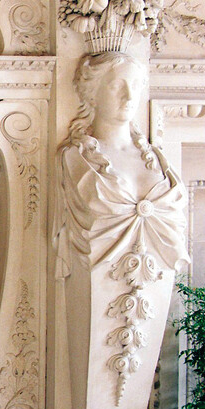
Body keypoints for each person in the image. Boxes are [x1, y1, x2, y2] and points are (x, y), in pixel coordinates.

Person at [55, 50, 187, 281]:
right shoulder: (77, 158)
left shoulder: (156, 158)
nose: (129, 96)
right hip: (97, 278)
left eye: (136, 86)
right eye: (117, 86)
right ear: (92, 93)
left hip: (156, 278)